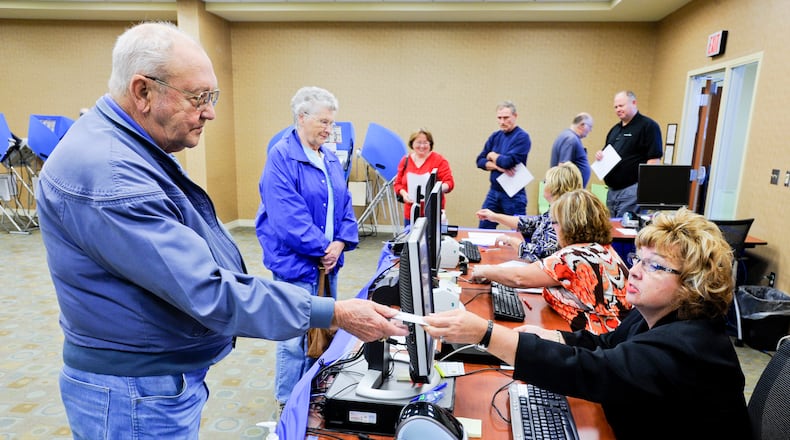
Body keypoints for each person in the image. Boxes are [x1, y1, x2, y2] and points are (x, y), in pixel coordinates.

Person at [35, 22, 407, 439]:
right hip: (133, 391)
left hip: (148, 377)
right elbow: (207, 290)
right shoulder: (112, 173)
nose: (210, 111)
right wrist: (333, 311)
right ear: (143, 92)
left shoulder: (128, 148)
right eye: (199, 98)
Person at [424, 208, 751, 439]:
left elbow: (596, 370)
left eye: (655, 266)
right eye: (639, 259)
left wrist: (485, 333)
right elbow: (606, 345)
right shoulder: (653, 315)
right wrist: (548, 335)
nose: (635, 270)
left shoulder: (689, 346)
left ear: (692, 283)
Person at [255, 86, 360, 408]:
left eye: (332, 123)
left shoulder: (328, 157)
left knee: (321, 330)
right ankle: (288, 402)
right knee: (292, 338)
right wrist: (323, 248)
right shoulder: (282, 157)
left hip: (327, 261)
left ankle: (311, 391)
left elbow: (343, 204)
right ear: (302, 118)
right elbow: (288, 218)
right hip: (297, 263)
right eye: (324, 122)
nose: (330, 130)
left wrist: (340, 242)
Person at [472, 189, 631, 334]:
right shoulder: (604, 250)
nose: (553, 228)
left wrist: (482, 270)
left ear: (569, 225)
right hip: (614, 336)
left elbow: (519, 278)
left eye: (554, 223)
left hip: (598, 341)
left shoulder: (574, 255)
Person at [475, 162, 583, 262]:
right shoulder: (556, 210)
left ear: (555, 187)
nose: (544, 184)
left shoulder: (561, 218)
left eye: (546, 181)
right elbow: (530, 223)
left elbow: (539, 254)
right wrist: (494, 216)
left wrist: (510, 240)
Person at [594, 90, 663, 217]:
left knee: (626, 230)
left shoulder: (648, 126)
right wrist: (600, 155)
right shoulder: (615, 130)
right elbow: (606, 151)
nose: (618, 109)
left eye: (621, 106)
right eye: (615, 107)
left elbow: (654, 159)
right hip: (612, 191)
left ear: (634, 103)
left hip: (632, 191)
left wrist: (644, 189)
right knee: (611, 230)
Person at [475, 101, 532, 229]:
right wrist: (497, 166)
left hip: (513, 194)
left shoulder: (522, 137)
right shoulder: (495, 136)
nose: (502, 121)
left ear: (515, 116)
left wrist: (492, 155)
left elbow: (507, 162)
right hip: (494, 191)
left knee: (519, 231)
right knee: (484, 227)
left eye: (506, 118)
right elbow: (479, 161)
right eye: (499, 118)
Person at [393, 128, 455, 226]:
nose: (422, 146)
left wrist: (435, 190)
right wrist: (404, 195)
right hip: (411, 212)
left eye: (425, 143)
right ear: (412, 144)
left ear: (430, 144)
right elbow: (398, 184)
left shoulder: (439, 160)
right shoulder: (405, 160)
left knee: (430, 240)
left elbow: (449, 183)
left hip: (432, 211)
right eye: (418, 142)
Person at [549, 112, 593, 188]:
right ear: (582, 125)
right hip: (568, 192)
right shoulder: (571, 139)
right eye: (590, 127)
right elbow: (563, 168)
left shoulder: (566, 135)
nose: (590, 130)